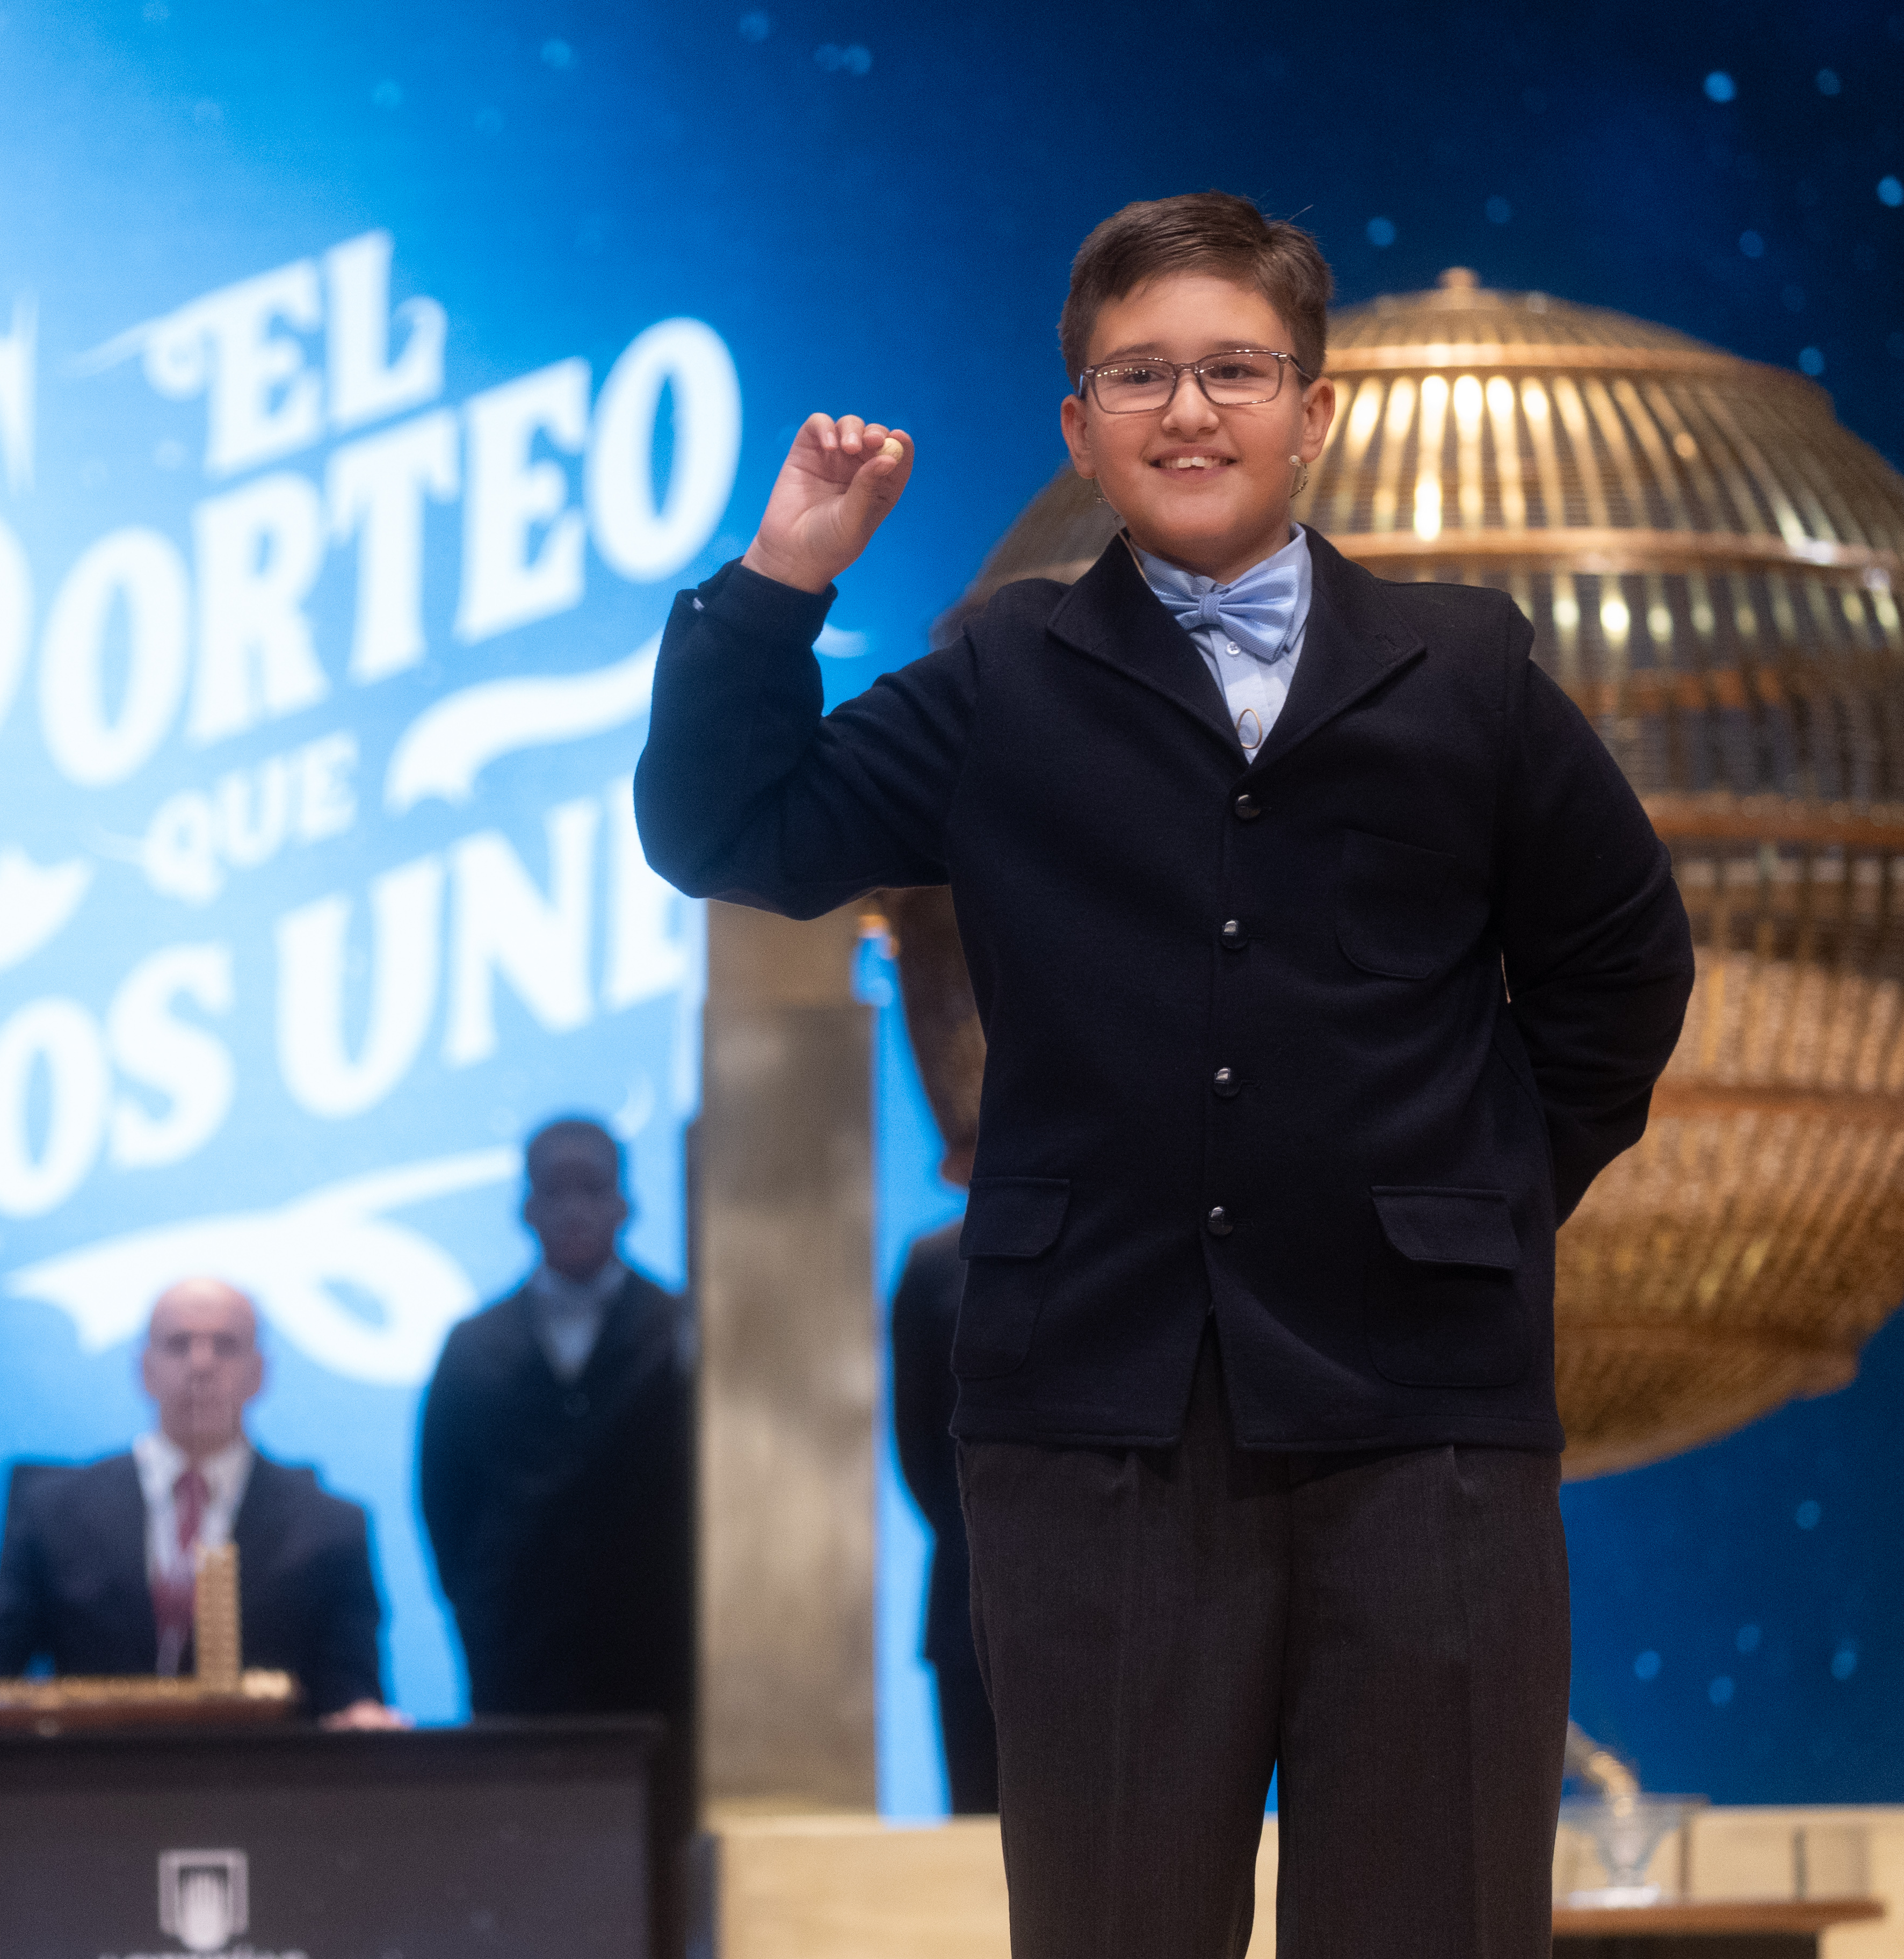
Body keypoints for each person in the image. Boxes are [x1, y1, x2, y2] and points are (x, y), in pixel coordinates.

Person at [633, 192, 1692, 1957]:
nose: (1188, 412)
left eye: (1232, 371)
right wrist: (783, 578)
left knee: (1434, 1918)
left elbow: (1621, 969)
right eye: (1139, 377)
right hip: (1091, 1416)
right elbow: (727, 829)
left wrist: (1481, 1193)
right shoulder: (999, 669)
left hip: (1419, 1414)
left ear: (1315, 409)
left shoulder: (1471, 672)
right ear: (1079, 428)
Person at [417, 1118, 694, 1949]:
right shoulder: (471, 1347)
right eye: (553, 1187)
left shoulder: (685, 1332)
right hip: (518, 1673)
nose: (573, 1205)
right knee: (523, 1883)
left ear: (626, 1202)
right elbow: (442, 1503)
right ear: (524, 1206)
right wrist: (484, 1616)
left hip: (660, 1672)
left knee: (657, 1884)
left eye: (592, 1185)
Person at [0, 1278, 400, 1727]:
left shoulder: (330, 1526)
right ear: (144, 1369)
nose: (202, 1363)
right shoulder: (55, 1512)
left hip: (262, 1791)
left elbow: (351, 1691)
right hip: (93, 1788)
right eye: (179, 1344)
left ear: (260, 1372)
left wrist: (362, 1719)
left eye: (225, 1345)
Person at [888, 1216, 997, 1817]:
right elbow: (916, 1445)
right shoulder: (934, 1261)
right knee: (977, 1823)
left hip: (1122, 1587)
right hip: (969, 1579)